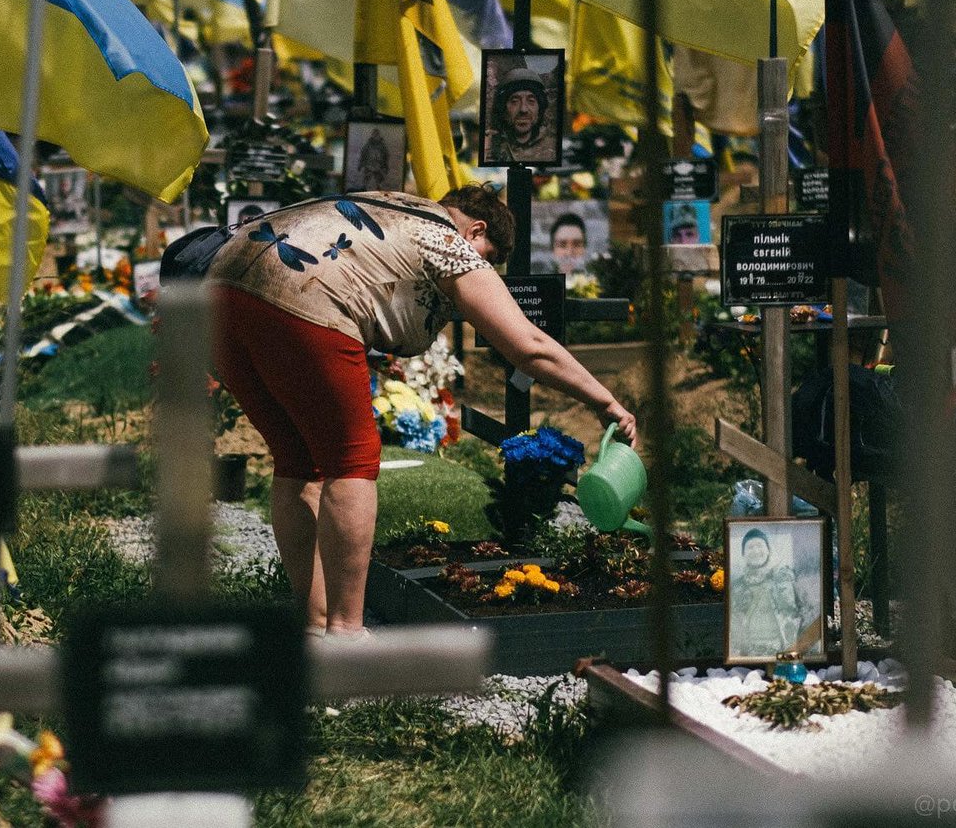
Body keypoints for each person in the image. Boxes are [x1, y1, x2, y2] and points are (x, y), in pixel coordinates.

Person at [204, 186, 636, 640]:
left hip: (219, 293)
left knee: (298, 461)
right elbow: (530, 348)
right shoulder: (446, 239)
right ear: (477, 230)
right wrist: (605, 402)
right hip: (303, 298)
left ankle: (314, 624)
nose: (484, 270)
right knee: (351, 461)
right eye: (489, 258)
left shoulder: (394, 204)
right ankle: (346, 633)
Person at [728, 528, 807, 657]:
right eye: (750, 547)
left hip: (782, 652)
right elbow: (734, 625)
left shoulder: (784, 578)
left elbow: (800, 612)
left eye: (760, 545)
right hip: (749, 655)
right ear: (743, 554)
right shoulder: (737, 587)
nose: (755, 551)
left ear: (768, 550)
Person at [485, 66, 558, 163]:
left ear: (539, 109)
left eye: (531, 101)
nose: (523, 109)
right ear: (503, 109)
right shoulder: (489, 146)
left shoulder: (553, 148)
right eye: (514, 101)